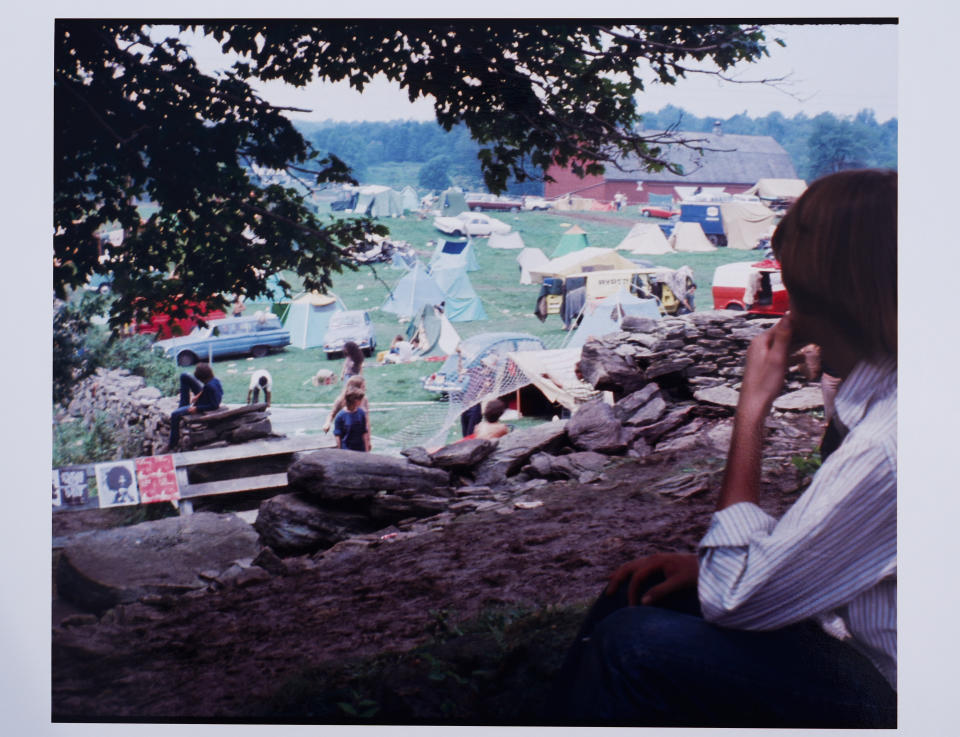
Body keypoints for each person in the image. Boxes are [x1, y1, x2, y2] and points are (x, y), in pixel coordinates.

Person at [551, 169, 897, 728]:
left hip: (901, 691)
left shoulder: (889, 443)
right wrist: (718, 568)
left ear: (839, 302)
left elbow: (734, 599)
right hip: (864, 640)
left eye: (796, 295)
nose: (789, 317)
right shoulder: (891, 390)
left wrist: (751, 409)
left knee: (631, 645)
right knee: (637, 595)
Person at [166, 362, 223, 450]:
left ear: (201, 378)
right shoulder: (215, 380)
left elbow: (214, 405)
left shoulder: (210, 387)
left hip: (202, 405)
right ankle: (183, 405)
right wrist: (199, 394)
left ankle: (172, 442)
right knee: (184, 376)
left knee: (174, 415)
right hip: (204, 396)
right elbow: (208, 390)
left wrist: (197, 408)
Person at [333, 388, 370, 452]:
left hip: (360, 449)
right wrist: (339, 452)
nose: (361, 401)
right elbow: (338, 436)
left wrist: (366, 451)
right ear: (354, 401)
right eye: (360, 399)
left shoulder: (361, 413)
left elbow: (364, 433)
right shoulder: (340, 416)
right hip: (347, 450)